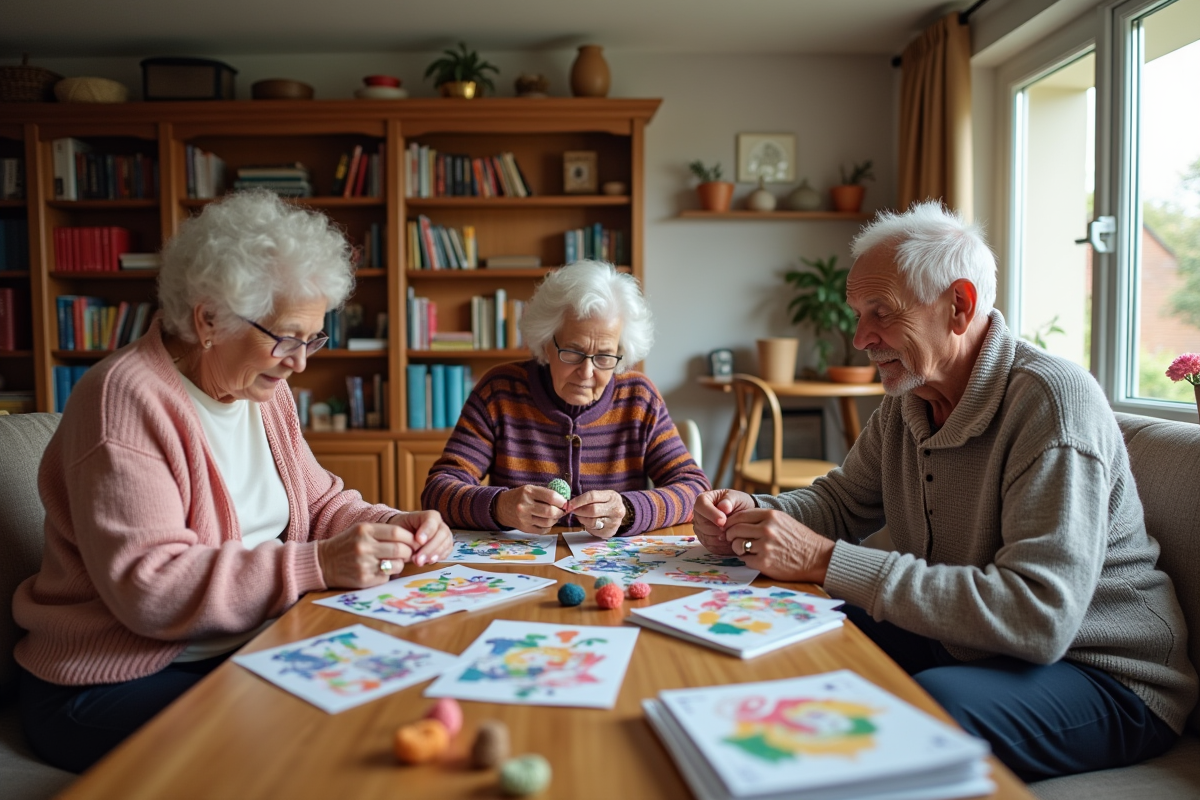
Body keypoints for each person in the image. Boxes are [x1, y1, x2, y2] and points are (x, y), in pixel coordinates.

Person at [693, 201, 1198, 781]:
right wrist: (752, 511)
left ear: (959, 306)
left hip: (1104, 674)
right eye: (858, 315)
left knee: (926, 706)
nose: (860, 338)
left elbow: (1037, 617)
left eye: (880, 313)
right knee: (786, 630)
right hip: (967, 641)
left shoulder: (1052, 404)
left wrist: (824, 560)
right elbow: (839, 502)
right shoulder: (908, 401)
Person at [12, 191, 453, 773]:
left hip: (240, 644)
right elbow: (151, 587)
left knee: (403, 688)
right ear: (209, 319)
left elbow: (318, 501)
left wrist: (392, 524)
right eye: (287, 337)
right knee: (319, 745)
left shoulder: (262, 390)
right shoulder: (123, 399)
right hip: (110, 679)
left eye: (313, 338)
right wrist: (316, 565)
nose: (300, 361)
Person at [422, 260, 710, 537]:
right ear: (547, 342)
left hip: (611, 570)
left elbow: (695, 488)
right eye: (573, 352)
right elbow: (437, 491)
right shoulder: (499, 391)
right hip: (520, 572)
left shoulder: (638, 398)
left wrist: (629, 510)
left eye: (604, 356)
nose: (587, 372)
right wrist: (499, 507)